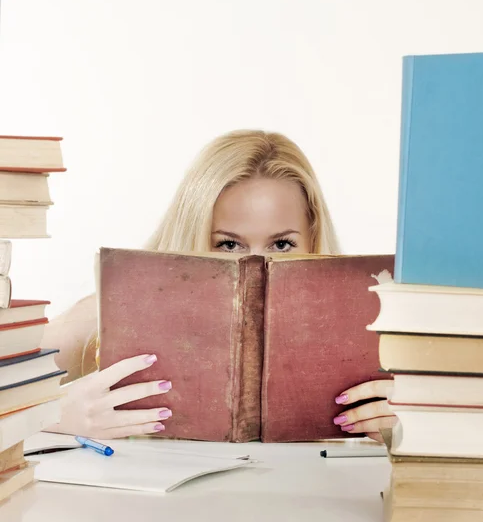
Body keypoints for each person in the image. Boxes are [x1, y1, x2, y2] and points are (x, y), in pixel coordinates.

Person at [43, 129, 396, 441]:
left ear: (313, 239)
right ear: (191, 236)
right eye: (229, 244)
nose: (258, 266)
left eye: (282, 244)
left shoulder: (373, 334)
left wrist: (413, 428)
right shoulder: (101, 323)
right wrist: (51, 416)